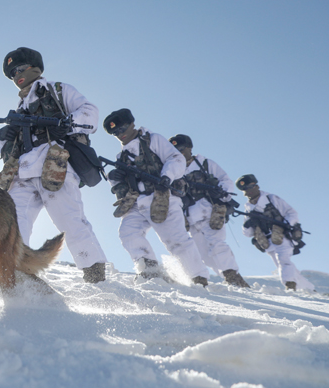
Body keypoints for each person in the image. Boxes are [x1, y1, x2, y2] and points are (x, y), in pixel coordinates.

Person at [0, 47, 108, 283]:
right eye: (12, 73)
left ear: (34, 67)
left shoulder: (58, 90)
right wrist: (5, 137)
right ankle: (13, 268)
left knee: (69, 219)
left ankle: (94, 272)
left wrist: (68, 123)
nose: (17, 75)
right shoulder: (19, 108)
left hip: (54, 163)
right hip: (22, 170)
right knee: (12, 220)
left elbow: (90, 112)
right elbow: (3, 150)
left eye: (20, 68)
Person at [103, 109, 209, 286]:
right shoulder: (120, 157)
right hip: (137, 202)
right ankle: (150, 269)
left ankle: (198, 278)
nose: (119, 134)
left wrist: (167, 176)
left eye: (121, 129)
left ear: (131, 124)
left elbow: (176, 158)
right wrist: (116, 181)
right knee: (128, 232)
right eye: (114, 133)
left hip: (162, 196)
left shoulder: (153, 139)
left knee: (175, 240)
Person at [169, 134, 249, 288]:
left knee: (217, 243)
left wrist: (223, 193)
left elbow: (225, 180)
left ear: (189, 148)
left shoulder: (204, 163)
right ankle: (225, 276)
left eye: (181, 149)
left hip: (209, 211)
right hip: (189, 217)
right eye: (175, 150)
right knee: (203, 255)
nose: (179, 153)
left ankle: (232, 275)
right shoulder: (174, 169)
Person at [236, 174, 314, 291]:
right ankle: (309, 289)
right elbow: (247, 233)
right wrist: (247, 225)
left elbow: (291, 213)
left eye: (250, 186)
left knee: (283, 261)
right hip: (267, 242)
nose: (249, 191)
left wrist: (287, 224)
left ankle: (290, 286)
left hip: (282, 236)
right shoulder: (248, 208)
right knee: (281, 265)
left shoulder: (271, 199)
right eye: (245, 189)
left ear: (256, 186)